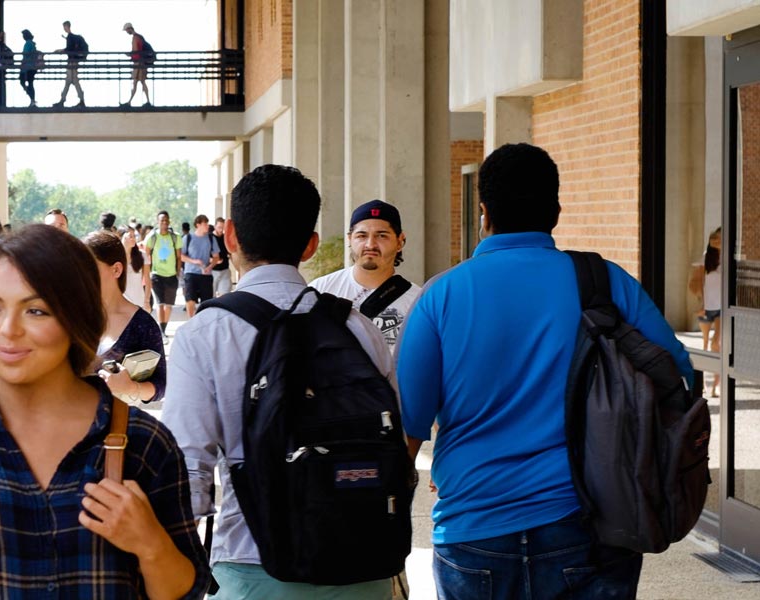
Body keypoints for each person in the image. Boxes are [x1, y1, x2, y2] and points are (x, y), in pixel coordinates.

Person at [396, 143, 694, 599]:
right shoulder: (606, 282)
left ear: (483, 213)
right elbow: (677, 375)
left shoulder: (440, 296)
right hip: (592, 523)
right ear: (555, 211)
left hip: (474, 529)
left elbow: (409, 428)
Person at [0, 224, 209, 598]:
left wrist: (150, 544)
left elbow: (184, 592)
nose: (8, 330)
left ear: (77, 316)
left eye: (35, 310)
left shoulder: (144, 444)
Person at [164, 164, 395, 599]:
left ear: (230, 236)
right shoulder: (357, 326)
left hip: (253, 565)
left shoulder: (205, 333)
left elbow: (188, 473)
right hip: (362, 564)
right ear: (309, 246)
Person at [310, 199, 421, 351]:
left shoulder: (417, 301)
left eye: (381, 236)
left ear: (400, 241)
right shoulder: (320, 290)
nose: (370, 245)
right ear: (350, 239)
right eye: (361, 236)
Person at [83, 232, 165, 405]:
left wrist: (130, 387)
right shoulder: (72, 316)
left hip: (116, 427)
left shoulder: (143, 325)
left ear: (117, 269)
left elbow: (160, 385)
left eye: (90, 267)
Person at [144, 211, 181, 339]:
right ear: (157, 222)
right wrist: (146, 274)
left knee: (169, 305)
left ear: (169, 221)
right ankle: (162, 330)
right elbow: (146, 255)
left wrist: (178, 271)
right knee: (160, 304)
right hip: (157, 274)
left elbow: (179, 256)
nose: (164, 223)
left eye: (166, 220)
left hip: (171, 275)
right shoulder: (152, 237)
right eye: (162, 221)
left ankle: (164, 326)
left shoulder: (175, 237)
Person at [697, 227, 722, 396]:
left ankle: (716, 386)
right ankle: (704, 385)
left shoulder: (728, 258)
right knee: (705, 345)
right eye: (716, 238)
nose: (718, 241)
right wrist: (700, 304)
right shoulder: (706, 258)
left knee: (716, 344)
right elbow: (698, 283)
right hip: (706, 307)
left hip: (721, 308)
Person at [181, 214, 220, 317]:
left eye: (207, 223)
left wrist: (210, 267)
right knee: (190, 299)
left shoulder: (211, 238)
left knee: (207, 302)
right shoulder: (188, 238)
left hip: (206, 275)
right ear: (198, 225)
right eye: (205, 224)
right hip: (190, 273)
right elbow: (181, 256)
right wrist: (194, 261)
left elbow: (216, 257)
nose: (207, 225)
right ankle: (191, 321)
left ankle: (203, 321)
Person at [53, 20, 86, 108]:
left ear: (67, 26)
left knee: (72, 82)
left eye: (64, 27)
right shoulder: (72, 37)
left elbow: (68, 49)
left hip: (71, 63)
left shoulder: (70, 37)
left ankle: (77, 100)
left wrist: (59, 51)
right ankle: (65, 100)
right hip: (74, 62)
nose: (64, 28)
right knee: (70, 82)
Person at [122, 22, 151, 107]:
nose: (127, 32)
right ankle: (130, 102)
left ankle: (146, 102)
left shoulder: (136, 38)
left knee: (138, 82)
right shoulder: (139, 37)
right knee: (138, 82)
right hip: (140, 62)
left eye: (127, 30)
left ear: (130, 29)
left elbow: (136, 51)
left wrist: (130, 55)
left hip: (139, 63)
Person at [122, 227, 149, 310]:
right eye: (130, 236)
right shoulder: (115, 257)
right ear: (122, 237)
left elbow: (147, 279)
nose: (133, 239)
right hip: (121, 302)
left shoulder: (142, 255)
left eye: (134, 236)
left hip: (138, 301)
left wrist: (146, 301)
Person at [210, 217, 231, 297]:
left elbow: (230, 253)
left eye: (223, 228)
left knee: (225, 295)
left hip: (225, 270)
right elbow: (203, 255)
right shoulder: (209, 238)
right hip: (212, 271)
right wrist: (214, 260)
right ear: (215, 226)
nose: (221, 230)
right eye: (219, 227)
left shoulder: (226, 238)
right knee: (211, 296)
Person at [19, 29, 39, 107]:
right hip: (32, 67)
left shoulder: (28, 43)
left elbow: (25, 54)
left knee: (22, 82)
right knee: (30, 83)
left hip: (27, 68)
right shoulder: (33, 44)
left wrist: (21, 65)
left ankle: (32, 98)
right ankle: (32, 99)